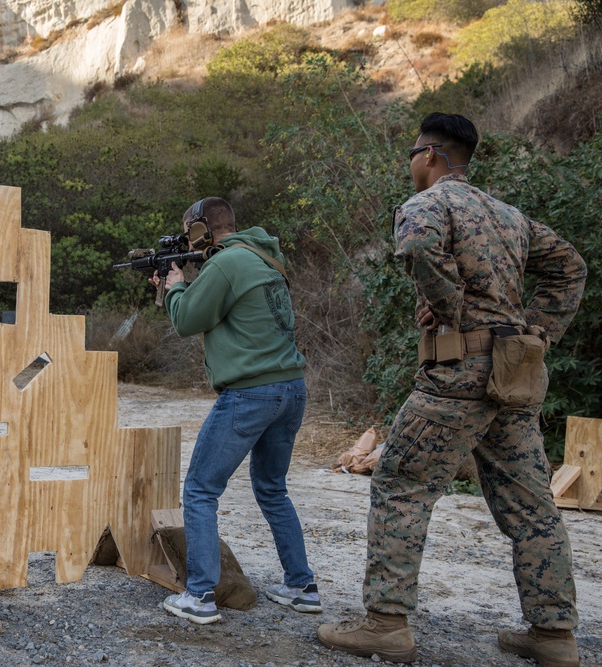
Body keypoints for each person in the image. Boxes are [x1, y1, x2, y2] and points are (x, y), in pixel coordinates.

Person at [317, 113, 587, 666]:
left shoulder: (428, 204)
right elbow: (571, 267)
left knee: (400, 484)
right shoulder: (510, 216)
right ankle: (554, 636)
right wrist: (537, 332)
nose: (412, 164)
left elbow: (417, 248)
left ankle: (386, 625)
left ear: (432, 155)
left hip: (458, 377)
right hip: (516, 376)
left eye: (414, 154)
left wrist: (451, 313)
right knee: (532, 507)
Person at [152, 196, 319, 625]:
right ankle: (301, 586)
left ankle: (200, 595)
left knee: (200, 489)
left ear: (201, 229)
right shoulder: (263, 256)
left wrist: (173, 287)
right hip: (291, 390)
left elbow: (188, 319)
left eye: (189, 229)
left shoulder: (225, 264)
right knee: (271, 488)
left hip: (252, 392)